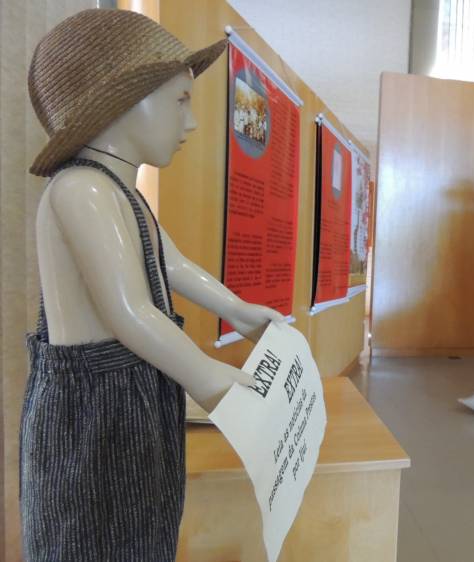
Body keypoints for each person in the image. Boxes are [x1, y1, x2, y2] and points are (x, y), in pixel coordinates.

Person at [21, 9, 282, 560]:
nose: (191, 122)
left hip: (135, 391)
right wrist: (207, 377)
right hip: (92, 410)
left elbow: (170, 263)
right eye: (179, 101)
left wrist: (238, 310)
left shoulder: (122, 192)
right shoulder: (82, 190)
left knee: (143, 530)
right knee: (88, 536)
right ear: (119, 106)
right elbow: (129, 311)